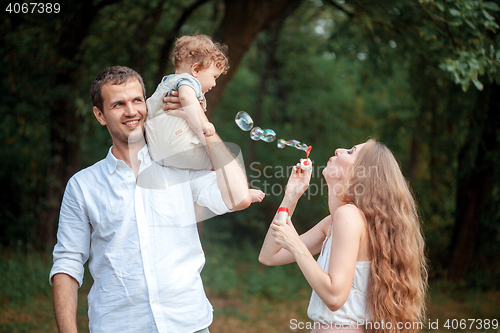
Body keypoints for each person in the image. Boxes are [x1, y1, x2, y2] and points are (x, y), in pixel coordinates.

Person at [50, 66, 253, 333]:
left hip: (187, 324)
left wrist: (204, 127)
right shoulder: (83, 186)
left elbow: (239, 197)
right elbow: (67, 263)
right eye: (118, 104)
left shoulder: (181, 164)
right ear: (99, 115)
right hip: (118, 326)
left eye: (137, 100)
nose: (131, 111)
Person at [259, 139, 428, 333]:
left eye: (350, 151)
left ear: (361, 172)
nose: (339, 150)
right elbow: (269, 255)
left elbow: (334, 297)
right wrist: (291, 196)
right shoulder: (334, 222)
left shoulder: (348, 216)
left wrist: (297, 246)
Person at [145, 34, 264, 203]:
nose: (214, 84)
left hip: (156, 151)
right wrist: (203, 124)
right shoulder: (188, 82)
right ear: (195, 70)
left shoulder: (165, 84)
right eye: (214, 77)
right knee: (221, 159)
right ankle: (242, 192)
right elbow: (186, 98)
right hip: (177, 147)